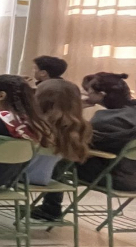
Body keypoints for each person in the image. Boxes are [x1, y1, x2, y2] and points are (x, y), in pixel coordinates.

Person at [33, 73, 136, 220]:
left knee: (61, 154)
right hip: (130, 176)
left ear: (101, 94)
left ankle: (51, 208)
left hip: (113, 177)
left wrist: (73, 109)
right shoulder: (130, 113)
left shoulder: (106, 120)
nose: (85, 93)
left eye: (89, 90)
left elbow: (80, 142)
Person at [26, 79, 93, 219]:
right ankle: (52, 207)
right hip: (46, 178)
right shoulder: (79, 129)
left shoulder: (31, 124)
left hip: (17, 175)